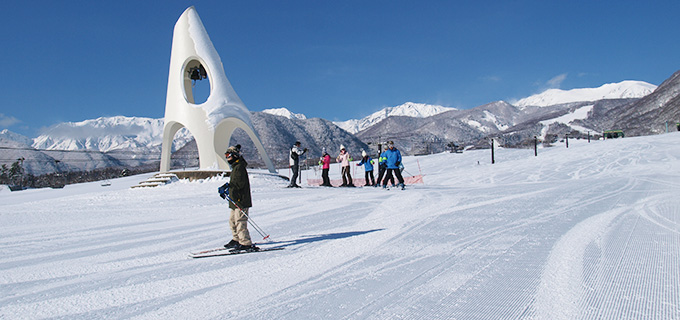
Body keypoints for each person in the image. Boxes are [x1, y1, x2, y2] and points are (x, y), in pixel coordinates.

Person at [218, 146, 258, 251]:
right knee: (232, 221)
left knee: (240, 221)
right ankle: (236, 239)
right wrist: (227, 186)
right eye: (226, 156)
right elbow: (234, 182)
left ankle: (245, 242)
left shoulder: (239, 167)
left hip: (241, 199)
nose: (227, 158)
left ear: (234, 156)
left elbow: (239, 185)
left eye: (228, 156)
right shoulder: (236, 167)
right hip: (235, 199)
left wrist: (230, 189)